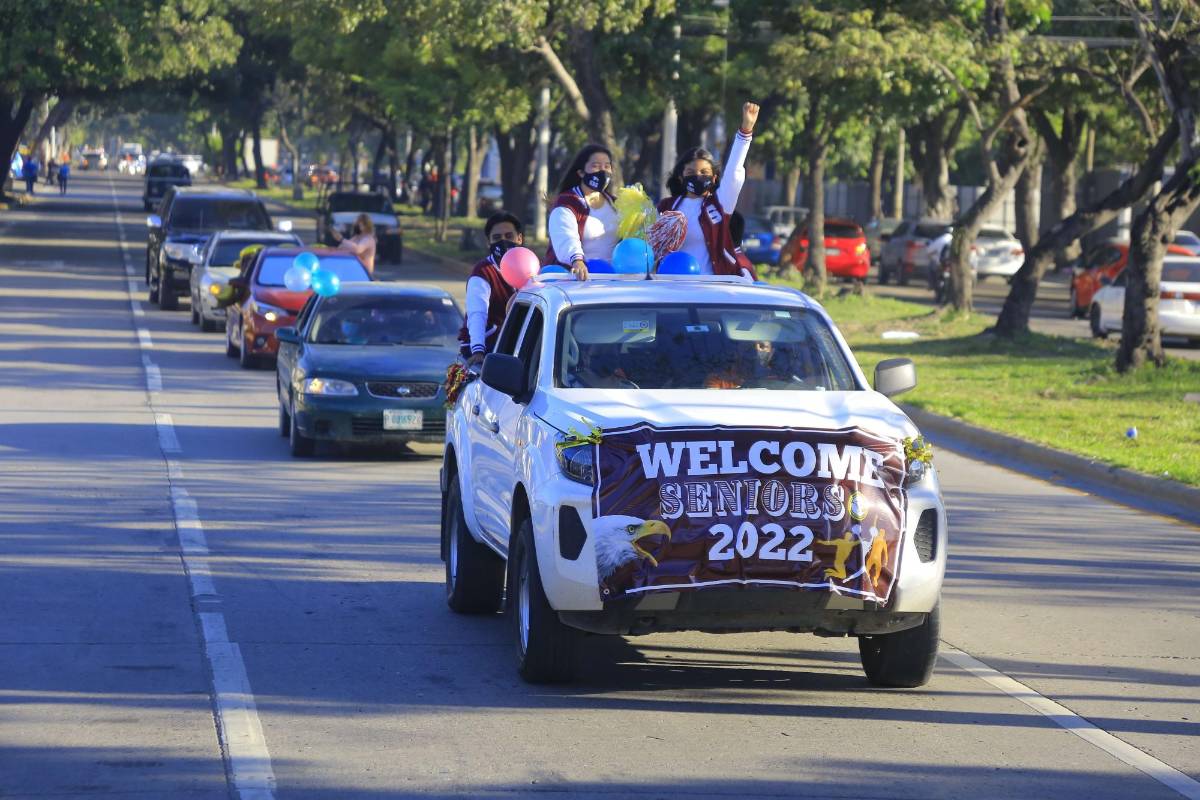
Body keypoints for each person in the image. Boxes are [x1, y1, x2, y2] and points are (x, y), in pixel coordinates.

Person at [659, 102, 760, 278]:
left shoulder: (720, 203)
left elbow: (733, 172)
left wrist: (745, 131)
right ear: (681, 177)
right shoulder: (665, 208)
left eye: (704, 172)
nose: (697, 176)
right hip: (672, 287)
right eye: (691, 172)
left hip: (712, 288)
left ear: (714, 178)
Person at [459, 211, 523, 367]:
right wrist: (478, 350)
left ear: (519, 238)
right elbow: (477, 313)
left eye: (509, 236)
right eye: (497, 238)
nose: (503, 242)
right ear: (488, 243)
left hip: (518, 345)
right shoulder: (483, 273)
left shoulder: (530, 268)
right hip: (488, 349)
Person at [546, 145, 620, 280]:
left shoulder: (616, 204)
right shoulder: (567, 203)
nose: (603, 171)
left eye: (607, 166)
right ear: (581, 172)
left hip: (611, 280)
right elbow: (566, 236)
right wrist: (577, 261)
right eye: (596, 166)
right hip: (577, 281)